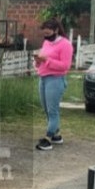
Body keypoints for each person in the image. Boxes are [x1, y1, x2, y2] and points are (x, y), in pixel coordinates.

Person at [34, 18, 74, 151]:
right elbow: (42, 59)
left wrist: (47, 60)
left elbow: (65, 66)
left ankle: (48, 138)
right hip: (43, 77)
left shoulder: (65, 45)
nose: (46, 36)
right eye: (44, 34)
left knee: (52, 110)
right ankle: (56, 134)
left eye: (48, 33)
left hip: (55, 79)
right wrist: (38, 61)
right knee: (46, 108)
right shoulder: (46, 42)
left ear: (56, 31)